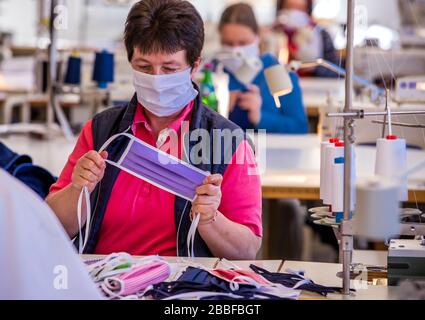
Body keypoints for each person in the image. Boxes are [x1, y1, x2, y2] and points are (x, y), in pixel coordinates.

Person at [46, 0, 262, 260]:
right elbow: (52, 226)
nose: (157, 79)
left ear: (195, 66)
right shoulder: (102, 132)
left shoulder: (228, 142)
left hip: (180, 289)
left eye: (170, 68)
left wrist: (210, 219)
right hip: (105, 282)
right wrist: (78, 189)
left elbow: (247, 251)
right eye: (144, 67)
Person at [218, 3, 308, 133]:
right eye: (228, 43)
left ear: (257, 38)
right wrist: (220, 111)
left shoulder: (277, 73)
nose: (235, 50)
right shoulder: (212, 74)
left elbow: (299, 127)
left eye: (243, 43)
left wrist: (260, 117)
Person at [275, 0, 339, 78]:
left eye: (300, 8)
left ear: (307, 9)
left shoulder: (321, 35)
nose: (295, 12)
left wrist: (315, 68)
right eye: (290, 7)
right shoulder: (273, 35)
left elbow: (336, 72)